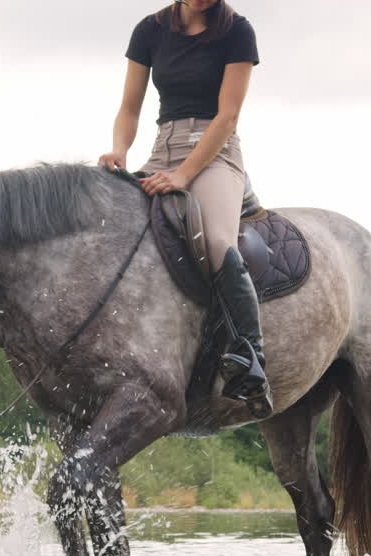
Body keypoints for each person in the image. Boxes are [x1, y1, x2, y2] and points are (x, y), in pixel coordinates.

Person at [98, 0, 271, 416]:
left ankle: (250, 359)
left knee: (215, 242)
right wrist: (120, 150)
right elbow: (129, 107)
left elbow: (227, 117)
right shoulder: (150, 29)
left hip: (214, 153)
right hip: (162, 148)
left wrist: (183, 175)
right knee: (107, 228)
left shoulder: (238, 32)